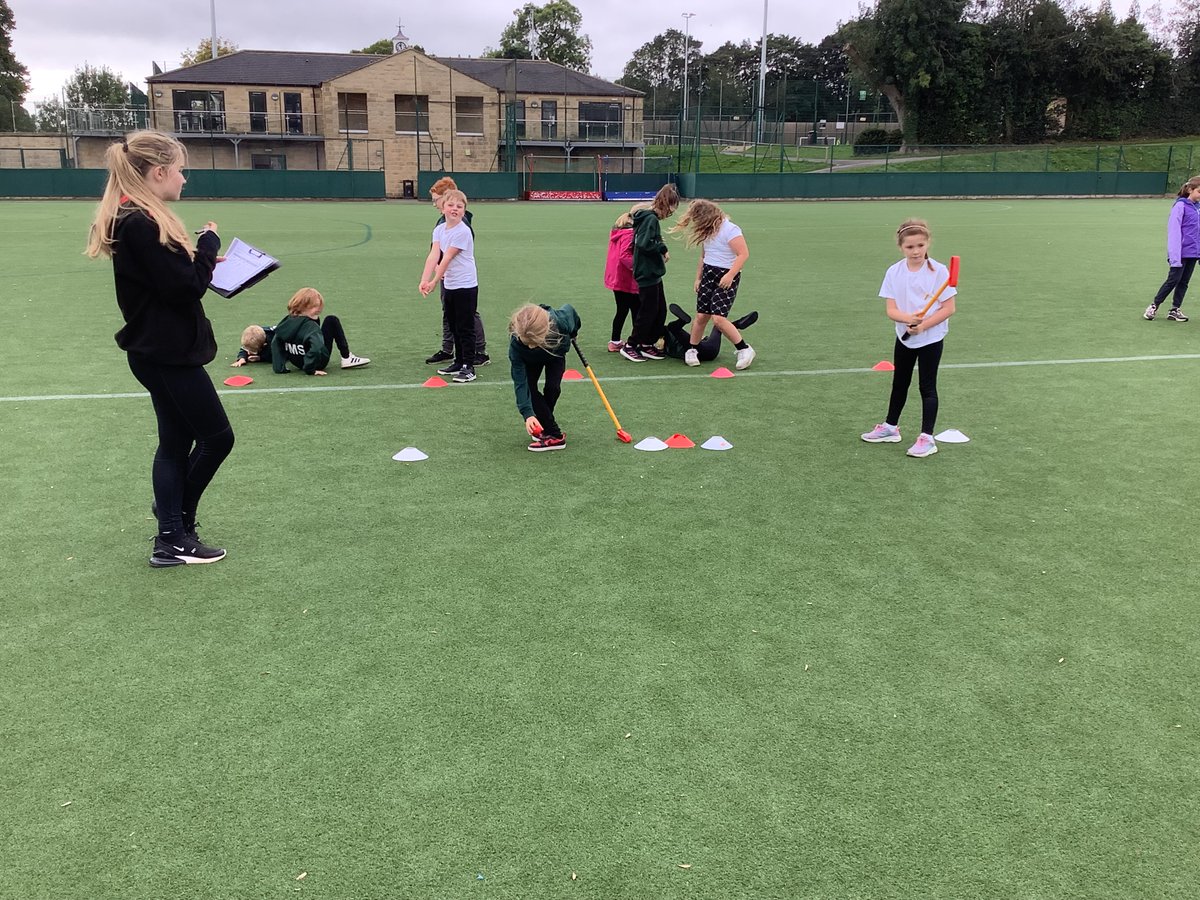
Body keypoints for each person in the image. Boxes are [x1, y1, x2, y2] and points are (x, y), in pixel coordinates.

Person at [85, 129, 232, 567]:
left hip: (158, 349)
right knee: (217, 439)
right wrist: (207, 246)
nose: (184, 179)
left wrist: (194, 261)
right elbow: (184, 289)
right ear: (160, 172)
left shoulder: (137, 217)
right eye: (181, 171)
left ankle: (173, 526)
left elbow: (168, 277)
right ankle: (173, 530)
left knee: (174, 441)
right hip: (167, 353)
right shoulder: (140, 223)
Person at [861, 218, 957, 459]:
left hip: (931, 338)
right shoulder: (894, 271)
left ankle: (927, 437)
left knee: (927, 386)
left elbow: (948, 308)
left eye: (920, 246)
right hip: (904, 337)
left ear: (927, 244)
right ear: (901, 247)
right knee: (899, 382)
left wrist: (923, 325)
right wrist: (908, 319)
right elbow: (891, 310)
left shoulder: (940, 271)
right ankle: (891, 427)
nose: (916, 251)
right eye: (910, 247)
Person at [671, 198, 755, 370]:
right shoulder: (707, 231)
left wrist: (730, 275)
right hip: (708, 273)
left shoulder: (730, 229)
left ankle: (744, 349)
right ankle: (692, 349)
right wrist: (698, 278)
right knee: (701, 316)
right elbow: (704, 256)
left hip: (726, 277)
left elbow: (743, 254)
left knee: (718, 318)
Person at [425, 176, 489, 366]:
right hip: (447, 275)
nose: (435, 204)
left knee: (466, 316)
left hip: (458, 278)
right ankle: (450, 350)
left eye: (436, 200)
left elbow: (448, 255)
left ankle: (477, 352)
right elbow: (435, 251)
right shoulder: (441, 224)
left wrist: (436, 276)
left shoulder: (461, 225)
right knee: (450, 314)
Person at [419, 188, 479, 383]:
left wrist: (434, 281)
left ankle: (468, 366)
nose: (455, 209)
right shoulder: (439, 230)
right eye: (451, 205)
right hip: (451, 285)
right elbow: (434, 255)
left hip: (466, 285)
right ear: (442, 208)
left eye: (459, 206)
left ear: (464, 210)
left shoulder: (463, 231)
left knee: (465, 326)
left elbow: (447, 259)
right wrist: (424, 279)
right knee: (453, 324)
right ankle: (458, 361)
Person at [508, 303, 581, 451]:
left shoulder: (560, 321)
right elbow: (520, 383)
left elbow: (571, 312)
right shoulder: (516, 346)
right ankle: (554, 435)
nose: (530, 346)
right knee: (530, 389)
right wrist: (528, 414)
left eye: (534, 343)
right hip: (528, 361)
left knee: (553, 389)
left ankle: (543, 423)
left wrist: (574, 332)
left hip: (555, 353)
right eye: (526, 342)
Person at [621, 183, 680, 362]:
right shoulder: (650, 219)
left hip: (653, 272)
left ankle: (647, 343)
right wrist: (662, 248)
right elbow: (644, 243)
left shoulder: (649, 218)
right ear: (665, 204)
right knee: (648, 311)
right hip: (647, 272)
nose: (671, 213)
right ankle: (631, 345)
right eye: (671, 208)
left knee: (659, 310)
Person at [259, 288, 370, 375]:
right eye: (315, 307)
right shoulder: (311, 326)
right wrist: (310, 369)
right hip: (318, 363)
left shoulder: (286, 321)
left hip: (297, 362)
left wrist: (279, 367)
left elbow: (276, 342)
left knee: (316, 324)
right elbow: (316, 348)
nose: (319, 310)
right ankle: (346, 358)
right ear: (304, 306)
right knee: (331, 320)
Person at [1144, 175, 1200, 322]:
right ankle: (1154, 306)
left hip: (1193, 253)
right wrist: (1175, 256)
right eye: (1199, 192)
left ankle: (1175, 309)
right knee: (1173, 280)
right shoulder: (1180, 206)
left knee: (1184, 282)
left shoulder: (1198, 208)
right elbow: (1174, 232)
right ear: (1190, 190)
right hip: (1180, 252)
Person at [663, 303, 759, 363]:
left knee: (717, 327)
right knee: (718, 326)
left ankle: (737, 324)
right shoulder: (672, 343)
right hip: (702, 349)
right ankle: (737, 324)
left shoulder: (670, 347)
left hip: (709, 353)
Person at [603, 211, 639, 352]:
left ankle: (615, 340)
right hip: (626, 279)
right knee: (636, 309)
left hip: (616, 278)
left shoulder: (617, 234)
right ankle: (635, 341)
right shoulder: (629, 235)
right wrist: (639, 267)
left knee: (622, 310)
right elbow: (625, 256)